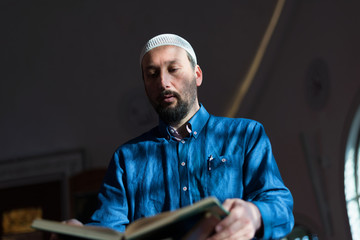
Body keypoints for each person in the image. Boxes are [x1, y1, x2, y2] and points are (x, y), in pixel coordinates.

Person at [86, 34, 294, 240]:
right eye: (152, 74)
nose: (163, 82)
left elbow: (280, 205)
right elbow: (107, 230)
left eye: (173, 69)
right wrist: (81, 234)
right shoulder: (126, 159)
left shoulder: (245, 134)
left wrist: (255, 214)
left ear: (198, 75)